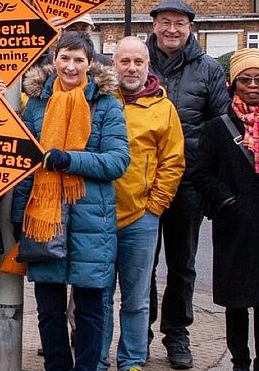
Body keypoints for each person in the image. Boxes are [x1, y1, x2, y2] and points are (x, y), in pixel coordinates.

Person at [11, 31, 130, 371]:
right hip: (44, 217)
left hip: (92, 222)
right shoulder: (35, 105)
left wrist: (70, 160)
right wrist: (20, 217)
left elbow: (117, 161)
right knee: (48, 309)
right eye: (65, 58)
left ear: (90, 63)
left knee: (91, 309)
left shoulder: (106, 104)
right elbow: (26, 165)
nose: (71, 66)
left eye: (79, 59)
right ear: (54, 61)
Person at [147, 0, 230, 369]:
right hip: (142, 182)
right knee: (140, 262)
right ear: (155, 26)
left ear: (190, 28)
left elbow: (221, 128)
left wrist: (213, 186)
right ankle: (139, 332)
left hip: (189, 183)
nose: (172, 29)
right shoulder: (137, 60)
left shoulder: (209, 70)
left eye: (179, 23)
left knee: (183, 263)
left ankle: (177, 334)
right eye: (165, 22)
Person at [98, 36, 185, 371]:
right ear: (114, 64)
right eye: (124, 61)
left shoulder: (164, 109)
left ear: (148, 65)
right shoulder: (101, 101)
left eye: (138, 62)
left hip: (141, 218)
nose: (131, 68)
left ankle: (132, 360)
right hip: (100, 217)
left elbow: (173, 161)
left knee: (136, 300)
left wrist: (155, 206)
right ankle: (97, 360)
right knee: (98, 297)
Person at [192, 49, 259, 371]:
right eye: (245, 79)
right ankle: (240, 361)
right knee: (236, 301)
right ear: (233, 85)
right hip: (235, 227)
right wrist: (227, 202)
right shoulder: (218, 127)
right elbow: (201, 172)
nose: (253, 85)